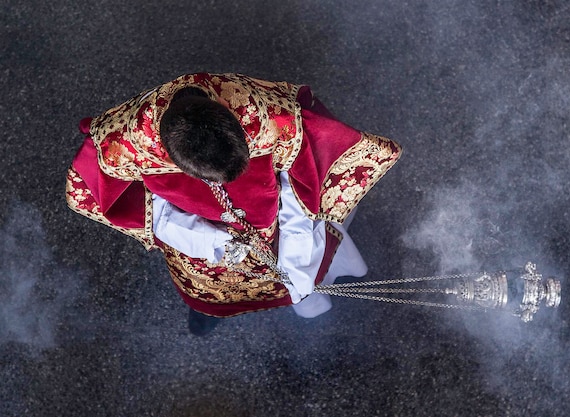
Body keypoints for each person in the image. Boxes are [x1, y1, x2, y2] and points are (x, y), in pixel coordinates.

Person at [66, 73, 402, 334]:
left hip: (279, 229)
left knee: (304, 271)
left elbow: (301, 182)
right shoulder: (121, 143)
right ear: (172, 159)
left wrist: (297, 256)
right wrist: (211, 241)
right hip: (197, 248)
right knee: (210, 295)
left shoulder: (268, 114)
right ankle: (207, 314)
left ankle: (318, 280)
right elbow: (117, 201)